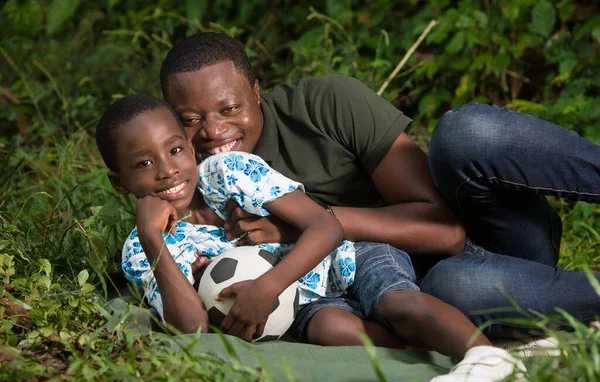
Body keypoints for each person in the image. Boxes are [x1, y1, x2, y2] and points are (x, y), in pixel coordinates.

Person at [159, 32, 600, 344]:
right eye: (190, 119)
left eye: (230, 107)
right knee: (453, 287)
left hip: (495, 236)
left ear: (256, 92)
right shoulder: (189, 183)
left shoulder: (324, 105)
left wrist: (308, 223)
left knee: (465, 133)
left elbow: (447, 232)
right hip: (438, 294)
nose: (213, 132)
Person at [94, 93, 502, 363]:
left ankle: (492, 362)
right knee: (334, 329)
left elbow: (326, 226)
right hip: (303, 303)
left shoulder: (228, 171)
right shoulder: (141, 249)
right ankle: (428, 354)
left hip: (350, 253)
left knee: (399, 304)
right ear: (119, 182)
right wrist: (152, 241)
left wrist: (267, 287)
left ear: (187, 143)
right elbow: (196, 333)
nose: (168, 171)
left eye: (175, 149)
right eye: (144, 164)